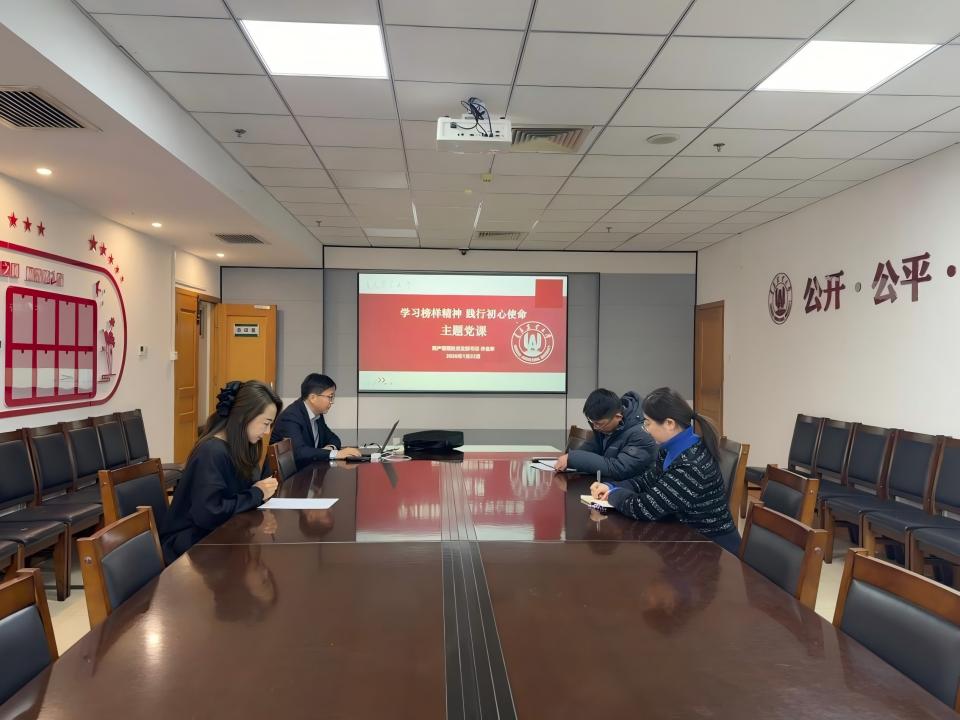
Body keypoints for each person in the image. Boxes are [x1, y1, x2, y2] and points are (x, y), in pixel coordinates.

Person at [590, 387, 741, 554]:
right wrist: (611, 486)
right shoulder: (669, 449)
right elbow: (646, 481)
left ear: (669, 424)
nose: (645, 429)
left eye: (648, 423)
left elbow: (645, 507)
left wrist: (613, 495)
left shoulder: (690, 465)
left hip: (710, 548)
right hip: (683, 536)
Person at [160, 380, 282, 563]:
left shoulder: (242, 445)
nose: (267, 432)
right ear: (244, 416)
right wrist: (257, 493)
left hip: (219, 534)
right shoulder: (211, 452)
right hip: (191, 545)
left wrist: (260, 493)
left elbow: (243, 494)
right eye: (266, 423)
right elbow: (210, 513)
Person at [555, 388, 656, 480]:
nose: (595, 427)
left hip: (633, 488)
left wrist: (573, 458)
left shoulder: (642, 433)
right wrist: (570, 458)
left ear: (618, 417)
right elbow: (592, 448)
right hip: (607, 484)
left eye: (599, 424)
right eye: (592, 422)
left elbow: (619, 469)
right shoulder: (606, 425)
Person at [270, 373, 360, 470]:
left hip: (307, 471)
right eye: (330, 397)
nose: (332, 402)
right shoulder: (291, 417)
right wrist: (335, 454)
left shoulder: (317, 414)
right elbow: (299, 452)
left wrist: (330, 449)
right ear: (313, 398)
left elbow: (334, 438)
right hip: (283, 477)